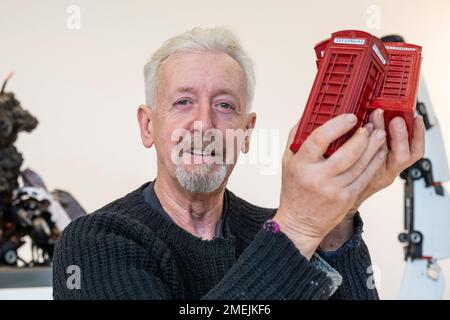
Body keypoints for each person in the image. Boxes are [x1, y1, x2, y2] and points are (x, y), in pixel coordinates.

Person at [52, 27, 425, 299]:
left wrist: (340, 214)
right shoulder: (94, 241)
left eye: (225, 105)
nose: (205, 124)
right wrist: (299, 227)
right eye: (183, 102)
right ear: (148, 126)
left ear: (247, 133)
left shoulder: (275, 230)